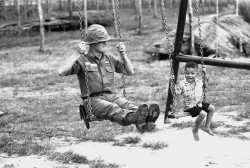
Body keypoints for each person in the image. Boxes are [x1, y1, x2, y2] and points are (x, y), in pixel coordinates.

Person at [57, 24, 160, 133]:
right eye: (102, 41)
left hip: (112, 96)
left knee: (129, 105)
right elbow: (60, 72)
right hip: (93, 100)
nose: (105, 43)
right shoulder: (83, 60)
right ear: (92, 43)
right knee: (113, 109)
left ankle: (147, 120)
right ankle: (136, 118)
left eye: (106, 40)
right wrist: (77, 53)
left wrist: (123, 54)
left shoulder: (109, 58)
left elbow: (130, 72)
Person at [175, 62, 215, 141]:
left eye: (192, 73)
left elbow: (206, 84)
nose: (190, 75)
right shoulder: (182, 84)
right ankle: (195, 129)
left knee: (212, 108)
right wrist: (173, 86)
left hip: (198, 103)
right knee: (203, 114)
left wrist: (205, 73)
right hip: (190, 106)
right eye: (187, 73)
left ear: (196, 73)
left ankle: (207, 127)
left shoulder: (199, 81)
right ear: (184, 73)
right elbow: (177, 93)